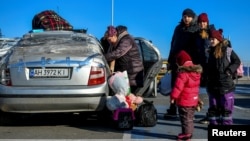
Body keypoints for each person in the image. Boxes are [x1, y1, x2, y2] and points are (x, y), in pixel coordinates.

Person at [165, 8, 199, 119]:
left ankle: (188, 111)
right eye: (184, 16)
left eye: (188, 16)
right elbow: (173, 44)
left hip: (189, 63)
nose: (186, 19)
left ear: (192, 17)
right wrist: (170, 60)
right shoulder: (178, 28)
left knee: (187, 87)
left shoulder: (196, 29)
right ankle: (172, 108)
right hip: (176, 61)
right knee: (175, 85)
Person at [206, 29, 241, 125]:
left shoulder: (227, 50)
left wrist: (229, 70)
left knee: (226, 111)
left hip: (226, 86)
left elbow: (237, 61)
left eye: (213, 39)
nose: (211, 41)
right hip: (213, 86)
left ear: (218, 39)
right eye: (210, 39)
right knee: (213, 111)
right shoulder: (209, 52)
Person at [170, 50, 202, 140]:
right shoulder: (196, 73)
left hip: (185, 100)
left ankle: (187, 134)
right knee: (190, 118)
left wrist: (173, 97)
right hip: (193, 100)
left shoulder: (183, 74)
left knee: (185, 118)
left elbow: (178, 88)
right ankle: (188, 132)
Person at [104, 25, 144, 94]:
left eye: (109, 39)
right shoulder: (118, 42)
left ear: (114, 35)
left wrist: (102, 57)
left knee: (129, 97)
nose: (109, 42)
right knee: (126, 97)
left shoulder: (127, 39)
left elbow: (118, 53)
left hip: (133, 74)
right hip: (127, 74)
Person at [195, 12, 216, 124]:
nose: (202, 24)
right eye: (200, 22)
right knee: (205, 91)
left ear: (207, 22)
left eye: (204, 22)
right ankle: (209, 114)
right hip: (202, 67)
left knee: (212, 93)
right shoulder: (198, 35)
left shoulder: (212, 33)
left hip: (211, 66)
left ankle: (212, 116)